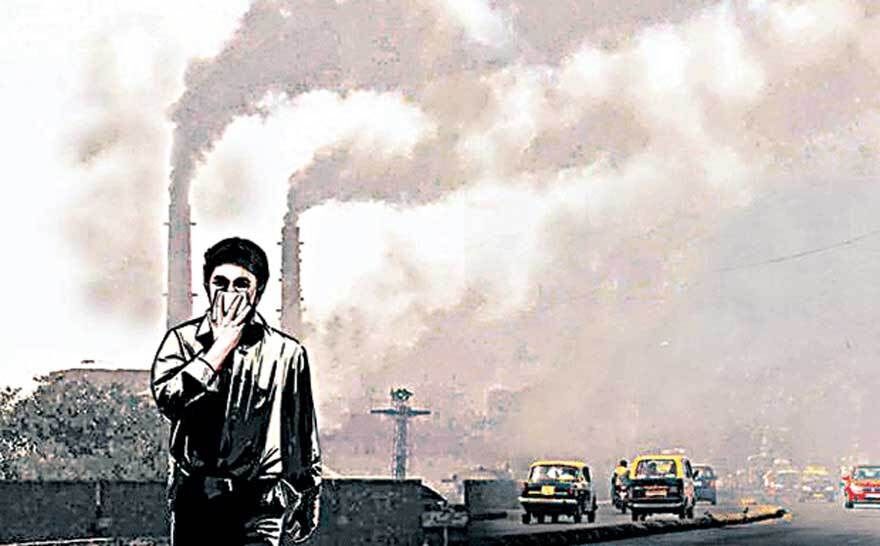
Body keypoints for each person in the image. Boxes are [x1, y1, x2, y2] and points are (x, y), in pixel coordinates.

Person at [151, 237, 321, 545]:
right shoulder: (181, 341)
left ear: (258, 291)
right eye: (220, 283)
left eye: (241, 284)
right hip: (197, 500)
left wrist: (308, 497)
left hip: (260, 506)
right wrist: (219, 348)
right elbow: (169, 401)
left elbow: (300, 434)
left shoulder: (287, 353)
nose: (229, 293)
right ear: (207, 285)